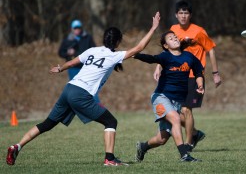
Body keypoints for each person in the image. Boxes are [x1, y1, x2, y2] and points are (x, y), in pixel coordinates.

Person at [6, 12, 160, 167]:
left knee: (48, 124)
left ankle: (17, 146)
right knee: (110, 121)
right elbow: (139, 47)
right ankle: (110, 159)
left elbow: (72, 63)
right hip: (80, 94)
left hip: (69, 89)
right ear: (118, 41)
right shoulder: (115, 56)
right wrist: (153, 28)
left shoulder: (92, 50)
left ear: (104, 39)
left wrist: (60, 69)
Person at [153, 0, 222, 151]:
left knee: (186, 110)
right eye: (181, 13)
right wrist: (159, 67)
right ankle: (195, 133)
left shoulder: (198, 31)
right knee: (177, 113)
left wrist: (215, 73)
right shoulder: (173, 29)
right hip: (176, 77)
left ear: (190, 15)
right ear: (176, 15)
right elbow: (167, 51)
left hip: (194, 76)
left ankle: (189, 144)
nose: (183, 16)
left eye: (186, 13)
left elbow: (210, 49)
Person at [134, 30, 204, 162]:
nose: (175, 39)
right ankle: (184, 155)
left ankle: (142, 147)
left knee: (162, 139)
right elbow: (152, 59)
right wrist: (136, 55)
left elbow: (198, 71)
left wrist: (200, 83)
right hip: (161, 97)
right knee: (176, 119)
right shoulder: (165, 56)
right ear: (166, 45)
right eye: (171, 38)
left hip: (177, 101)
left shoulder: (189, 56)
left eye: (175, 37)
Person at [58, 20, 100, 102]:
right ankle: (78, 106)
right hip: (73, 68)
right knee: (75, 89)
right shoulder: (67, 40)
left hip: (86, 68)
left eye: (78, 28)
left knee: (90, 88)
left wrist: (76, 53)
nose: (77, 30)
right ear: (72, 29)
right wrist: (67, 53)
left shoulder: (87, 37)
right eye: (75, 28)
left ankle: (97, 106)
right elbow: (60, 52)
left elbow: (94, 51)